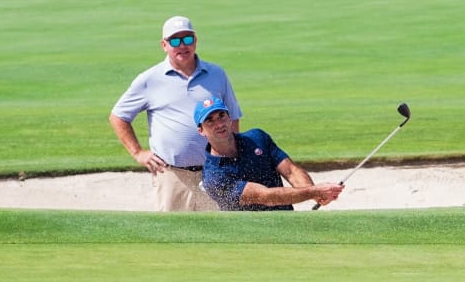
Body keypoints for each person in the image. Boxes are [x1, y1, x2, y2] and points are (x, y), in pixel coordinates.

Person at [109, 15, 243, 211]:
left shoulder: (216, 74)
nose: (183, 46)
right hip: (172, 176)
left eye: (188, 39)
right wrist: (138, 153)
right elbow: (118, 116)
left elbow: (233, 117)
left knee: (221, 235)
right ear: (164, 45)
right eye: (175, 41)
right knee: (174, 237)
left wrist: (233, 157)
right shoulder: (150, 79)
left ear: (195, 41)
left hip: (216, 173)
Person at [194, 96, 344, 211]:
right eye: (210, 121)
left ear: (230, 118)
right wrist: (312, 192)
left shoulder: (257, 138)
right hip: (250, 238)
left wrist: (315, 193)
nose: (219, 124)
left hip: (288, 223)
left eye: (222, 116)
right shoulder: (214, 176)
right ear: (201, 131)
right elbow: (266, 197)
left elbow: (290, 171)